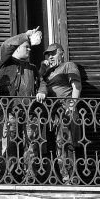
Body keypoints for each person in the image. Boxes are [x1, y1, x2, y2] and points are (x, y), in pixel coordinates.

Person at [0, 27, 46, 178]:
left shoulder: (32, 67)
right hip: (10, 111)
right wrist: (26, 35)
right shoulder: (6, 63)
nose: (30, 50)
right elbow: (6, 45)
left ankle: (30, 176)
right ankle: (6, 175)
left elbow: (42, 82)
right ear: (17, 48)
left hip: (30, 112)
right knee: (9, 144)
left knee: (31, 145)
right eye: (27, 47)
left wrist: (42, 91)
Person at [36, 43, 82, 183]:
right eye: (48, 54)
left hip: (65, 108)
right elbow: (37, 81)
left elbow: (77, 86)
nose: (50, 57)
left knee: (66, 142)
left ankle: (71, 177)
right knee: (53, 145)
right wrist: (42, 69)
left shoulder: (68, 65)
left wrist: (72, 105)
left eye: (53, 53)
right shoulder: (47, 72)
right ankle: (58, 176)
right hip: (51, 111)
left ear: (61, 53)